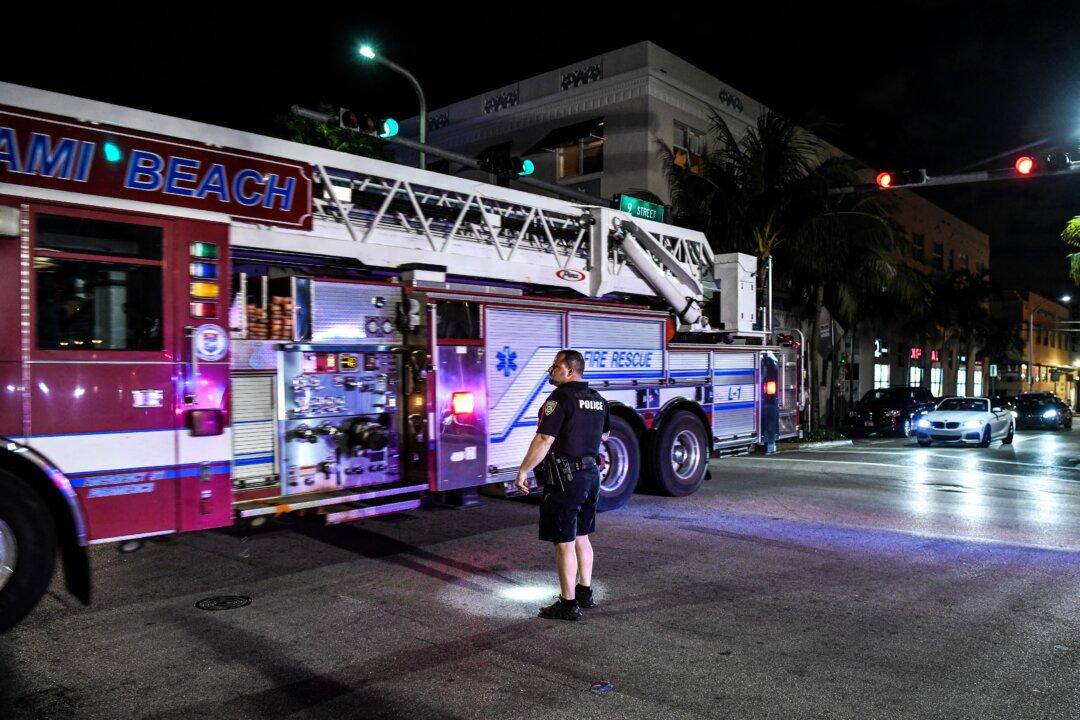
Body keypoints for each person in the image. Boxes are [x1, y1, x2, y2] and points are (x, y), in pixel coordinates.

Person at [515, 349, 609, 621]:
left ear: (570, 371)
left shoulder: (560, 399)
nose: (550, 370)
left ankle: (567, 605)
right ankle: (584, 592)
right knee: (582, 536)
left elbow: (544, 439)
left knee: (564, 542)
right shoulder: (599, 399)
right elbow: (605, 433)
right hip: (592, 475)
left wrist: (524, 470)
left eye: (555, 366)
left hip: (567, 479)